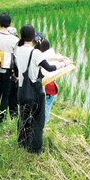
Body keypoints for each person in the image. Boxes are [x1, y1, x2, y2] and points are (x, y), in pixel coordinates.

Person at [14, 25, 68, 153]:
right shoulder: (35, 53)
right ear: (33, 37)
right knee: (38, 121)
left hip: (21, 90)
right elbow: (50, 68)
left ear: (21, 35)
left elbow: (16, 71)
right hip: (35, 91)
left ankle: (22, 143)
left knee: (23, 117)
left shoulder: (17, 50)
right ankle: (35, 149)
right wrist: (64, 63)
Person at [38, 38, 59, 126]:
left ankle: (41, 124)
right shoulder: (51, 57)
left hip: (44, 88)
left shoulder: (38, 57)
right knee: (46, 108)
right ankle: (43, 125)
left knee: (41, 108)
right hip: (50, 89)